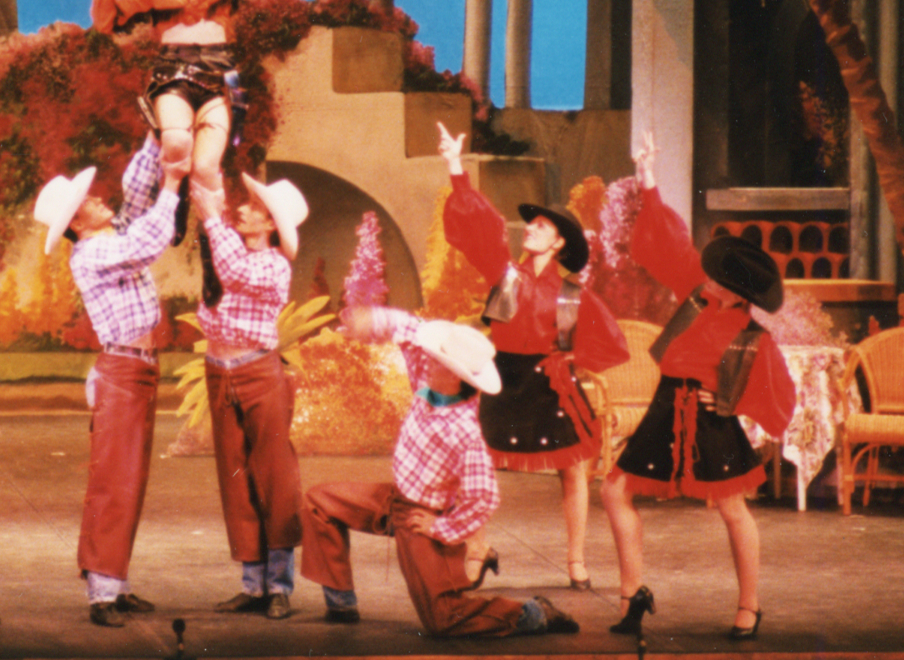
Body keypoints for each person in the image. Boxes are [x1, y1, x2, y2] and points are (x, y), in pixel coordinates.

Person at [600, 131, 796, 641]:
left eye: (718, 277)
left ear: (736, 293)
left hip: (708, 419)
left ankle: (749, 606)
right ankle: (632, 596)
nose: (706, 276)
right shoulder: (696, 295)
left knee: (731, 508)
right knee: (614, 490)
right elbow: (669, 244)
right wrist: (647, 178)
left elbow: (780, 395)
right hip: (665, 408)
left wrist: (730, 402)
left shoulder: (751, 336)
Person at [299, 306, 580, 639]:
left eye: (436, 361)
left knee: (445, 618)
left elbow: (483, 498)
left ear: (455, 377)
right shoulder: (429, 380)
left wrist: (440, 527)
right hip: (394, 499)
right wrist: (371, 321)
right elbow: (410, 328)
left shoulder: (464, 431)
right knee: (319, 501)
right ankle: (341, 603)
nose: (426, 361)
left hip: (422, 515)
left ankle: (532, 614)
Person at [92, 0, 324, 240]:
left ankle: (215, 246)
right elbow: (107, 22)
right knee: (177, 140)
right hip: (173, 74)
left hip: (219, 77)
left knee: (205, 168)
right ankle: (172, 198)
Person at [436, 123, 628, 591]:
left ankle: (576, 559)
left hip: (549, 380)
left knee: (573, 470)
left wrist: (571, 357)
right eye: (532, 223)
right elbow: (480, 230)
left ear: (559, 242)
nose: (531, 228)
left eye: (542, 226)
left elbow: (613, 344)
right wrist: (456, 167)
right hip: (500, 377)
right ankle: (478, 549)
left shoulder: (572, 293)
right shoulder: (505, 274)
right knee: (475, 466)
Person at [33, 135, 191, 626]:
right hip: (123, 370)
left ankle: (115, 584)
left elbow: (137, 192)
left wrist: (156, 139)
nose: (101, 198)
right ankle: (101, 591)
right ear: (77, 223)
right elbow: (147, 240)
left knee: (130, 479)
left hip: (138, 369)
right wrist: (174, 183)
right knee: (115, 481)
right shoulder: (91, 254)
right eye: (89, 201)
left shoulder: (108, 236)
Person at [187, 173, 309, 619]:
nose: (244, 208)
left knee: (273, 475)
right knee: (235, 477)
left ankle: (278, 586)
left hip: (257, 370)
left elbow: (236, 274)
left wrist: (212, 218)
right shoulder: (231, 252)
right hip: (220, 370)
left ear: (271, 224)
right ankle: (253, 584)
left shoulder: (273, 264)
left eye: (255, 207)